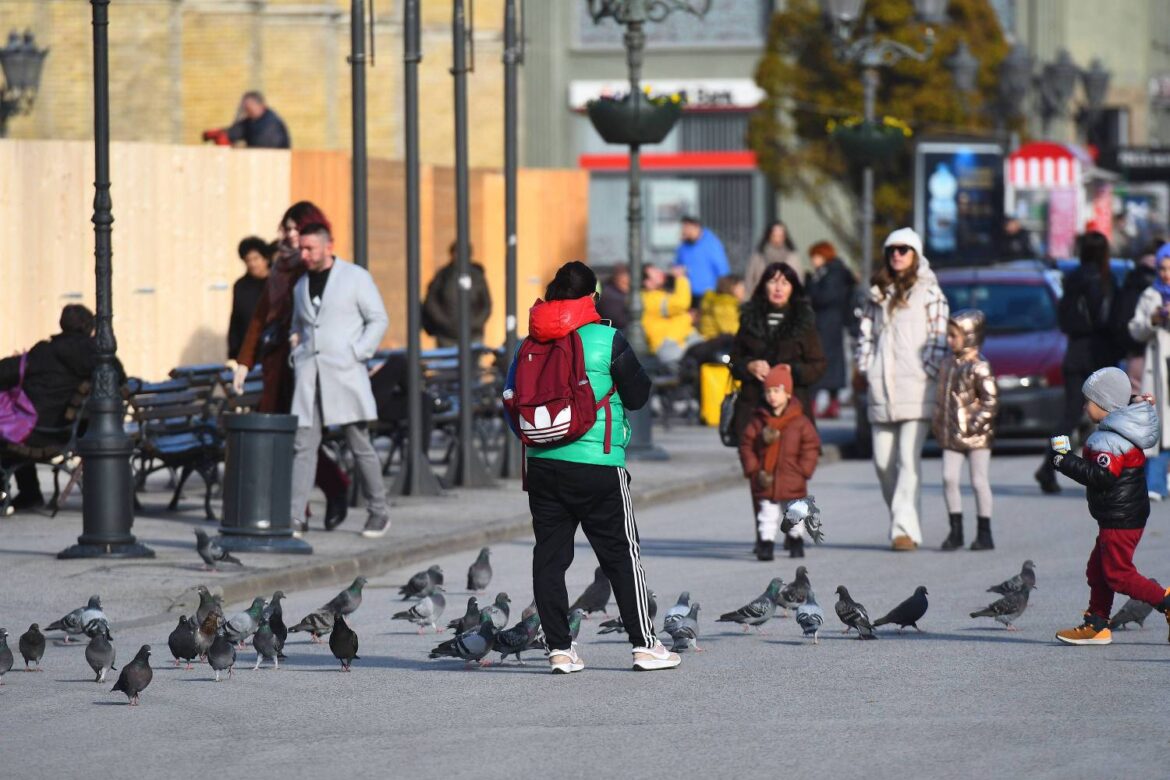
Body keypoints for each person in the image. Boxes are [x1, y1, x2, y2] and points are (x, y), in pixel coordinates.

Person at [508, 260, 679, 673]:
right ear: (593, 297)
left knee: (550, 559)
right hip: (597, 465)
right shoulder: (606, 338)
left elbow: (512, 396)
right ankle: (644, 644)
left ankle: (560, 651)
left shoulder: (528, 342)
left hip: (543, 465)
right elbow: (638, 396)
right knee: (621, 555)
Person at [233, 202, 352, 530]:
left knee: (300, 439)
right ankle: (303, 505)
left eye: (294, 228)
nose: (287, 234)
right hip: (276, 365)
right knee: (288, 437)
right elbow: (260, 316)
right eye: (285, 228)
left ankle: (324, 493)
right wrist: (244, 362)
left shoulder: (312, 266)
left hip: (306, 364)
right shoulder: (280, 266)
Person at [1049, 367, 1170, 645]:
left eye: (1088, 401)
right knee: (1098, 569)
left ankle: (1165, 601)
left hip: (1120, 518)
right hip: (1122, 515)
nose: (1084, 406)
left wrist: (1063, 460)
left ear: (1104, 405)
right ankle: (1097, 623)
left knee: (1117, 573)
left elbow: (1101, 476)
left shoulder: (1109, 440)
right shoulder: (1120, 425)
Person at [287, 222, 391, 539]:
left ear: (328, 246)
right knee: (303, 446)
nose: (303, 254)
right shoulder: (300, 284)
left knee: (360, 445)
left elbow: (378, 318)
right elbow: (298, 326)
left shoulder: (355, 277)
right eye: (301, 249)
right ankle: (295, 517)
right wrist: (297, 351)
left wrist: (357, 352)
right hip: (310, 377)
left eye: (309, 248)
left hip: (345, 374)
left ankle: (379, 513)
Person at [855, 227, 949, 552]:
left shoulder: (930, 292)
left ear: (915, 254)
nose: (897, 254)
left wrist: (929, 370)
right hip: (882, 388)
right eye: (892, 249)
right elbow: (865, 335)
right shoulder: (877, 293)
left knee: (909, 460)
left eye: (903, 249)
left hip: (918, 387)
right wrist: (867, 368)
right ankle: (905, 518)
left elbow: (940, 337)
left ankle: (902, 530)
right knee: (882, 462)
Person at [0, 305, 122, 511]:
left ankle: (29, 494)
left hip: (37, 431)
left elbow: (5, 372)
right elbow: (119, 379)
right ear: (89, 327)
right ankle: (30, 494)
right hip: (70, 431)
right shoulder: (98, 355)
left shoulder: (45, 351)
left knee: (8, 435)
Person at [1036, 231, 1119, 495]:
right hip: (1097, 354)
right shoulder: (1101, 279)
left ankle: (1052, 463)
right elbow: (1104, 316)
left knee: (1069, 417)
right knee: (1109, 416)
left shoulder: (1072, 278)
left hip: (1074, 353)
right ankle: (1108, 470)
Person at [737, 364, 820, 561]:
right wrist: (753, 469)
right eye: (768, 391)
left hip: (792, 478)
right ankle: (766, 544)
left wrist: (803, 470)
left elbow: (811, 446)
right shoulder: (759, 421)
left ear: (788, 394)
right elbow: (746, 445)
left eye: (777, 391)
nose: (772, 396)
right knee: (767, 513)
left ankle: (796, 541)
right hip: (766, 477)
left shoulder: (799, 422)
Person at [933, 309, 999, 551]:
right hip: (952, 433)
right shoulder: (947, 364)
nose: (949, 341)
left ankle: (984, 531)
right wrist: (939, 423)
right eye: (948, 336)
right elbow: (941, 398)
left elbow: (990, 400)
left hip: (977, 435)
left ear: (970, 336)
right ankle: (956, 530)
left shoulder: (980, 366)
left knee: (978, 480)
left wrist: (975, 424)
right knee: (949, 477)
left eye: (954, 336)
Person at [1126, 242, 1170, 500]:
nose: (1165, 273)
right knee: (1156, 426)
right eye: (1162, 268)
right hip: (1158, 370)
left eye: (1169, 268)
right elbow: (1135, 329)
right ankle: (1154, 482)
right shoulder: (1150, 295)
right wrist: (1153, 321)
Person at [804, 240, 855, 419]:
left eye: (815, 256)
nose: (813, 261)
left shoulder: (831, 274)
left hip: (827, 324)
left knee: (819, 361)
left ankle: (817, 404)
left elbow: (825, 297)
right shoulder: (832, 272)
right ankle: (830, 404)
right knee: (830, 363)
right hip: (831, 324)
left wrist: (811, 287)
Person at [421, 242, 492, 348]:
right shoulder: (442, 275)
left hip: (473, 335)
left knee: (471, 363)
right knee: (449, 363)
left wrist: (474, 324)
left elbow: (486, 305)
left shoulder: (477, 276)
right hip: (447, 336)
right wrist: (445, 323)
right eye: (456, 253)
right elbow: (431, 302)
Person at [1114, 241, 1161, 393]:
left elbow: (1121, 321)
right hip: (1158, 354)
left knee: (1138, 406)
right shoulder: (1158, 289)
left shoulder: (1130, 280)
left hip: (1135, 357)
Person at [227, 236, 272, 361]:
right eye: (248, 260)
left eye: (256, 259)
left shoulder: (277, 282)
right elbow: (235, 319)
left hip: (274, 348)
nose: (252, 264)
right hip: (249, 351)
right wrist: (233, 352)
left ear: (266, 259)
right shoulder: (241, 286)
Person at [642, 265, 697, 360]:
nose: (660, 273)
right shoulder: (648, 300)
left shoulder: (659, 294)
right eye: (655, 273)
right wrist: (681, 278)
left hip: (682, 341)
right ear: (647, 283)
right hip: (669, 347)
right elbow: (681, 303)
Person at [674, 216, 729, 308]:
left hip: (708, 294)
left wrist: (724, 290)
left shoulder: (711, 244)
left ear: (696, 227)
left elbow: (722, 269)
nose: (683, 231)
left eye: (686, 228)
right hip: (688, 294)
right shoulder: (683, 246)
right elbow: (678, 265)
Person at [218, 91, 291, 149]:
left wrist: (241, 151)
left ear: (260, 105)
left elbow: (264, 145)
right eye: (245, 108)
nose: (246, 111)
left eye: (249, 108)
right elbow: (236, 131)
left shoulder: (272, 123)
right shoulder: (251, 121)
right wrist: (221, 134)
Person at [745, 220, 799, 294]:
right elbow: (749, 279)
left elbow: (798, 280)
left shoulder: (792, 256)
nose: (777, 239)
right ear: (768, 236)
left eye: (780, 236)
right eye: (774, 235)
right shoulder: (759, 255)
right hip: (761, 298)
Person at [698, 274, 744, 340]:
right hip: (714, 344)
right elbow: (731, 332)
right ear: (732, 288)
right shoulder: (724, 305)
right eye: (741, 287)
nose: (744, 291)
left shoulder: (719, 303)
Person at [596, 264, 631, 330]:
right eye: (624, 283)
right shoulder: (610, 295)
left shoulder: (622, 293)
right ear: (616, 280)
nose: (627, 286)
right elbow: (617, 320)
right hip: (613, 330)